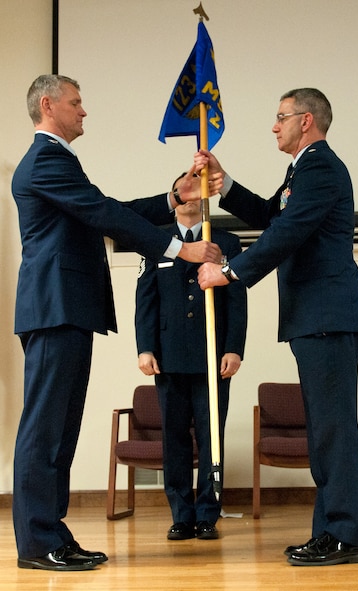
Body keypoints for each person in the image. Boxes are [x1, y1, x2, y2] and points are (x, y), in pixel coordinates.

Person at [11, 74, 222, 572]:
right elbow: (102, 212)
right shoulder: (45, 159)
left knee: (60, 430)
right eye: (76, 102)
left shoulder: (58, 161)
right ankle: (38, 541)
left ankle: (50, 533)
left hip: (67, 309)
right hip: (53, 308)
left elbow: (107, 212)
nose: (84, 112)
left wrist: (173, 198)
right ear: (48, 105)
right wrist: (180, 247)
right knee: (44, 430)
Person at [195, 88, 358, 566]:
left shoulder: (320, 167)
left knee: (332, 429)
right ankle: (332, 531)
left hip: (328, 315)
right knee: (324, 427)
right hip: (315, 317)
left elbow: (286, 232)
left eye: (281, 117)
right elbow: (272, 214)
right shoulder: (303, 169)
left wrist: (230, 272)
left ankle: (345, 534)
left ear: (307, 121)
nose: (274, 126)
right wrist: (225, 184)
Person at [135, 173, 247, 541]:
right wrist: (145, 348)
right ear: (176, 197)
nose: (191, 198)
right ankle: (181, 514)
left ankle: (206, 514)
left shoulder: (225, 241)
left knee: (212, 435)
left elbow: (237, 301)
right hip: (168, 357)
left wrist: (234, 347)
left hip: (212, 356)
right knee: (175, 437)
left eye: (199, 192)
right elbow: (146, 301)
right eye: (185, 191)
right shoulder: (156, 243)